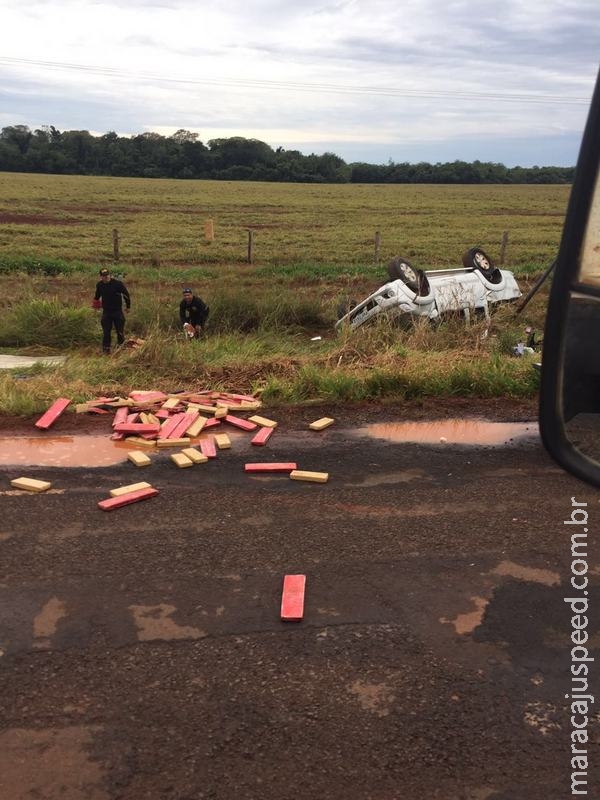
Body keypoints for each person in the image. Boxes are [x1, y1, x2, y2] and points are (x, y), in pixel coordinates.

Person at [93, 268, 131, 354]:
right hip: (106, 312)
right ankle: (106, 350)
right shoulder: (99, 285)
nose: (106, 277)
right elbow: (97, 296)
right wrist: (95, 306)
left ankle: (121, 349)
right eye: (104, 276)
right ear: (100, 277)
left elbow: (126, 295)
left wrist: (128, 307)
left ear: (110, 275)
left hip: (117, 311)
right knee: (106, 332)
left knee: (120, 331)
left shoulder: (117, 284)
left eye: (107, 275)